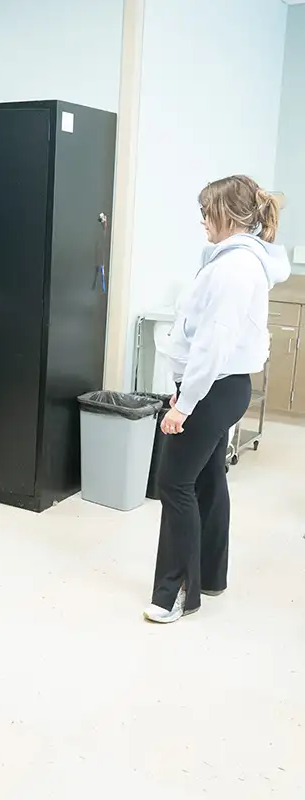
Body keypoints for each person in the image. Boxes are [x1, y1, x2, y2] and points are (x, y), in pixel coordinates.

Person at [144, 175, 291, 624]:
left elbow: (214, 343)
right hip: (223, 385)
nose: (203, 220)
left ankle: (173, 595)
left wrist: (183, 406)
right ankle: (210, 576)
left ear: (228, 214)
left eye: (207, 211)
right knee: (207, 478)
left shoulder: (234, 268)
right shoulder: (235, 260)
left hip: (212, 387)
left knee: (173, 483)